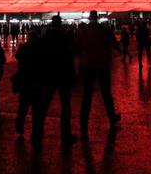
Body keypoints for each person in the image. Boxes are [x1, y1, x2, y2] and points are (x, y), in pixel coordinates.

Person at [75, 11, 121, 137]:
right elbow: (113, 43)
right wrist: (119, 50)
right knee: (106, 93)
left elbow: (77, 46)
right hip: (102, 64)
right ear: (98, 18)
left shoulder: (83, 30)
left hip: (87, 65)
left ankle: (83, 122)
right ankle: (112, 117)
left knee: (87, 95)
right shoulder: (103, 29)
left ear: (90, 18)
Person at [41, 15, 77, 147]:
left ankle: (37, 134)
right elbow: (69, 55)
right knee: (65, 107)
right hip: (63, 75)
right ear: (60, 24)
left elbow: (41, 55)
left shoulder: (46, 37)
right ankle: (65, 135)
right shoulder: (64, 37)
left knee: (44, 105)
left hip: (49, 74)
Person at [13, 30, 49, 147]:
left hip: (25, 81)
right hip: (38, 81)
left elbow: (17, 57)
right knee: (37, 109)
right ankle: (35, 131)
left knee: (23, 106)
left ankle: (20, 124)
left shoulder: (23, 47)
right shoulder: (41, 49)